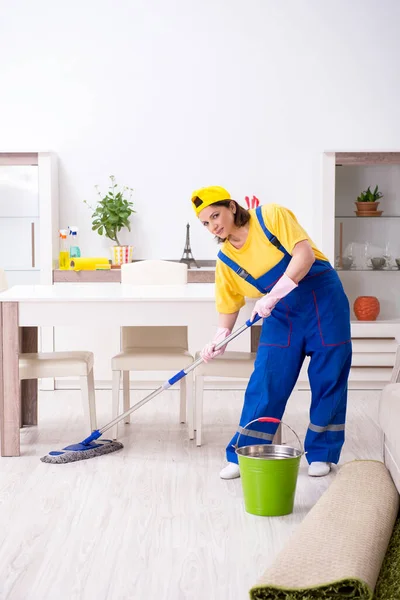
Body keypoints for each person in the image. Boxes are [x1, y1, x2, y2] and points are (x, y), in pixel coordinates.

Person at [192, 186, 352, 480]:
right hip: (281, 315)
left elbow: (303, 256)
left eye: (216, 215)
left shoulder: (270, 217)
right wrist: (219, 339)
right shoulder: (226, 259)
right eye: (206, 222)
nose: (214, 225)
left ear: (231, 206)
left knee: (328, 378)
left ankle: (322, 453)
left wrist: (272, 295)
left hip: (324, 304)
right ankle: (244, 453)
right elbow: (228, 306)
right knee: (266, 380)